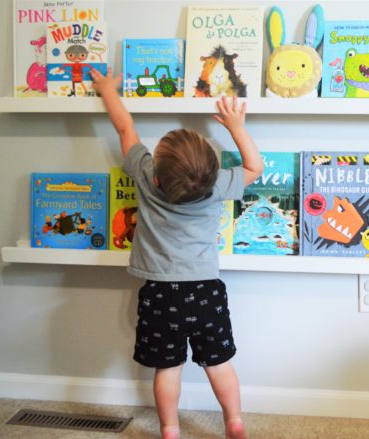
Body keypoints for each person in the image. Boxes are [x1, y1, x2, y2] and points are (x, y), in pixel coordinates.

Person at [90, 66, 263, 439]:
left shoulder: (145, 175)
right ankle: (233, 421)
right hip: (205, 292)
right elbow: (255, 166)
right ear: (213, 174)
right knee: (219, 364)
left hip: (160, 293)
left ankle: (170, 429)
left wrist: (107, 90)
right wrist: (235, 127)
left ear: (155, 176)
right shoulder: (218, 186)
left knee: (167, 369)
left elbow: (125, 129)